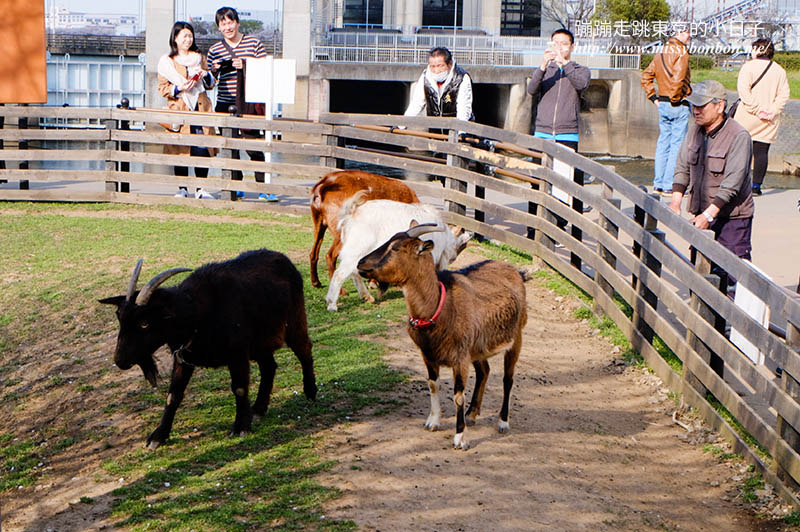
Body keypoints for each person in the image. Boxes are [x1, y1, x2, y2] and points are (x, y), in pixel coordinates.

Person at [668, 80, 755, 268]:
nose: (695, 111)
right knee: (700, 271)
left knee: (731, 274)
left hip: (732, 219)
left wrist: (708, 216)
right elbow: (682, 167)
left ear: (719, 106)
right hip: (702, 212)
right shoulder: (694, 131)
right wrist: (676, 202)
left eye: (701, 106)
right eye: (693, 106)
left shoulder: (739, 136)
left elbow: (732, 184)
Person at [207, 6, 277, 201]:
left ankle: (265, 188)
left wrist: (245, 64)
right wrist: (214, 70)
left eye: (230, 22)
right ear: (219, 28)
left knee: (254, 146)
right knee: (230, 148)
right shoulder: (214, 50)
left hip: (249, 103)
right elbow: (210, 84)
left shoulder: (254, 43)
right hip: (224, 103)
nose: (227, 26)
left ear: (237, 23)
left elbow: (265, 71)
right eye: (223, 23)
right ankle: (235, 187)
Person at [527, 28, 591, 234]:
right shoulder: (546, 70)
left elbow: (582, 84)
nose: (559, 47)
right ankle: (533, 228)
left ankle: (558, 229)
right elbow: (532, 89)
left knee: (563, 186)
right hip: (542, 132)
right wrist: (543, 65)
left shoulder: (580, 70)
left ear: (572, 47)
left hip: (567, 133)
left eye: (564, 43)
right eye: (555, 43)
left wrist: (565, 64)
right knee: (538, 182)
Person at [157, 21, 217, 199]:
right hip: (180, 107)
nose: (188, 39)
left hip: (200, 107)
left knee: (202, 146)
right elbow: (163, 89)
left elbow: (211, 84)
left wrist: (206, 76)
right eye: (184, 36)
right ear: (175, 38)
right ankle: (182, 188)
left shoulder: (200, 57)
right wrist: (179, 88)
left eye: (190, 36)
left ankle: (201, 188)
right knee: (180, 148)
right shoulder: (167, 62)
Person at [733, 38, 790, 196]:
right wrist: (772, 111)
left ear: (758, 50)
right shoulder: (779, 70)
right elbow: (784, 94)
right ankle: (756, 186)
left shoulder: (748, 68)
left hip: (747, 117)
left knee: (741, 152)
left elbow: (744, 92)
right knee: (762, 152)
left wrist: (757, 110)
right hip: (769, 119)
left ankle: (738, 185)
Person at [641, 29, 692, 195]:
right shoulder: (681, 52)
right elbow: (678, 78)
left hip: (662, 102)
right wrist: (676, 99)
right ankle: (670, 184)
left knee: (663, 143)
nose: (689, 36)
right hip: (677, 103)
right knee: (676, 145)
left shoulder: (661, 52)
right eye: (687, 33)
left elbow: (646, 76)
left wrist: (653, 97)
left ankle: (658, 183)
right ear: (680, 33)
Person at [404, 47, 474, 123]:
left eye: (440, 66)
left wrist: (461, 132)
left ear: (449, 64)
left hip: (456, 127)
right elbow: (416, 103)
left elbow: (463, 108)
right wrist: (401, 125)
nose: (436, 71)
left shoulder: (462, 78)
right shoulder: (426, 76)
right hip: (435, 127)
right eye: (432, 66)